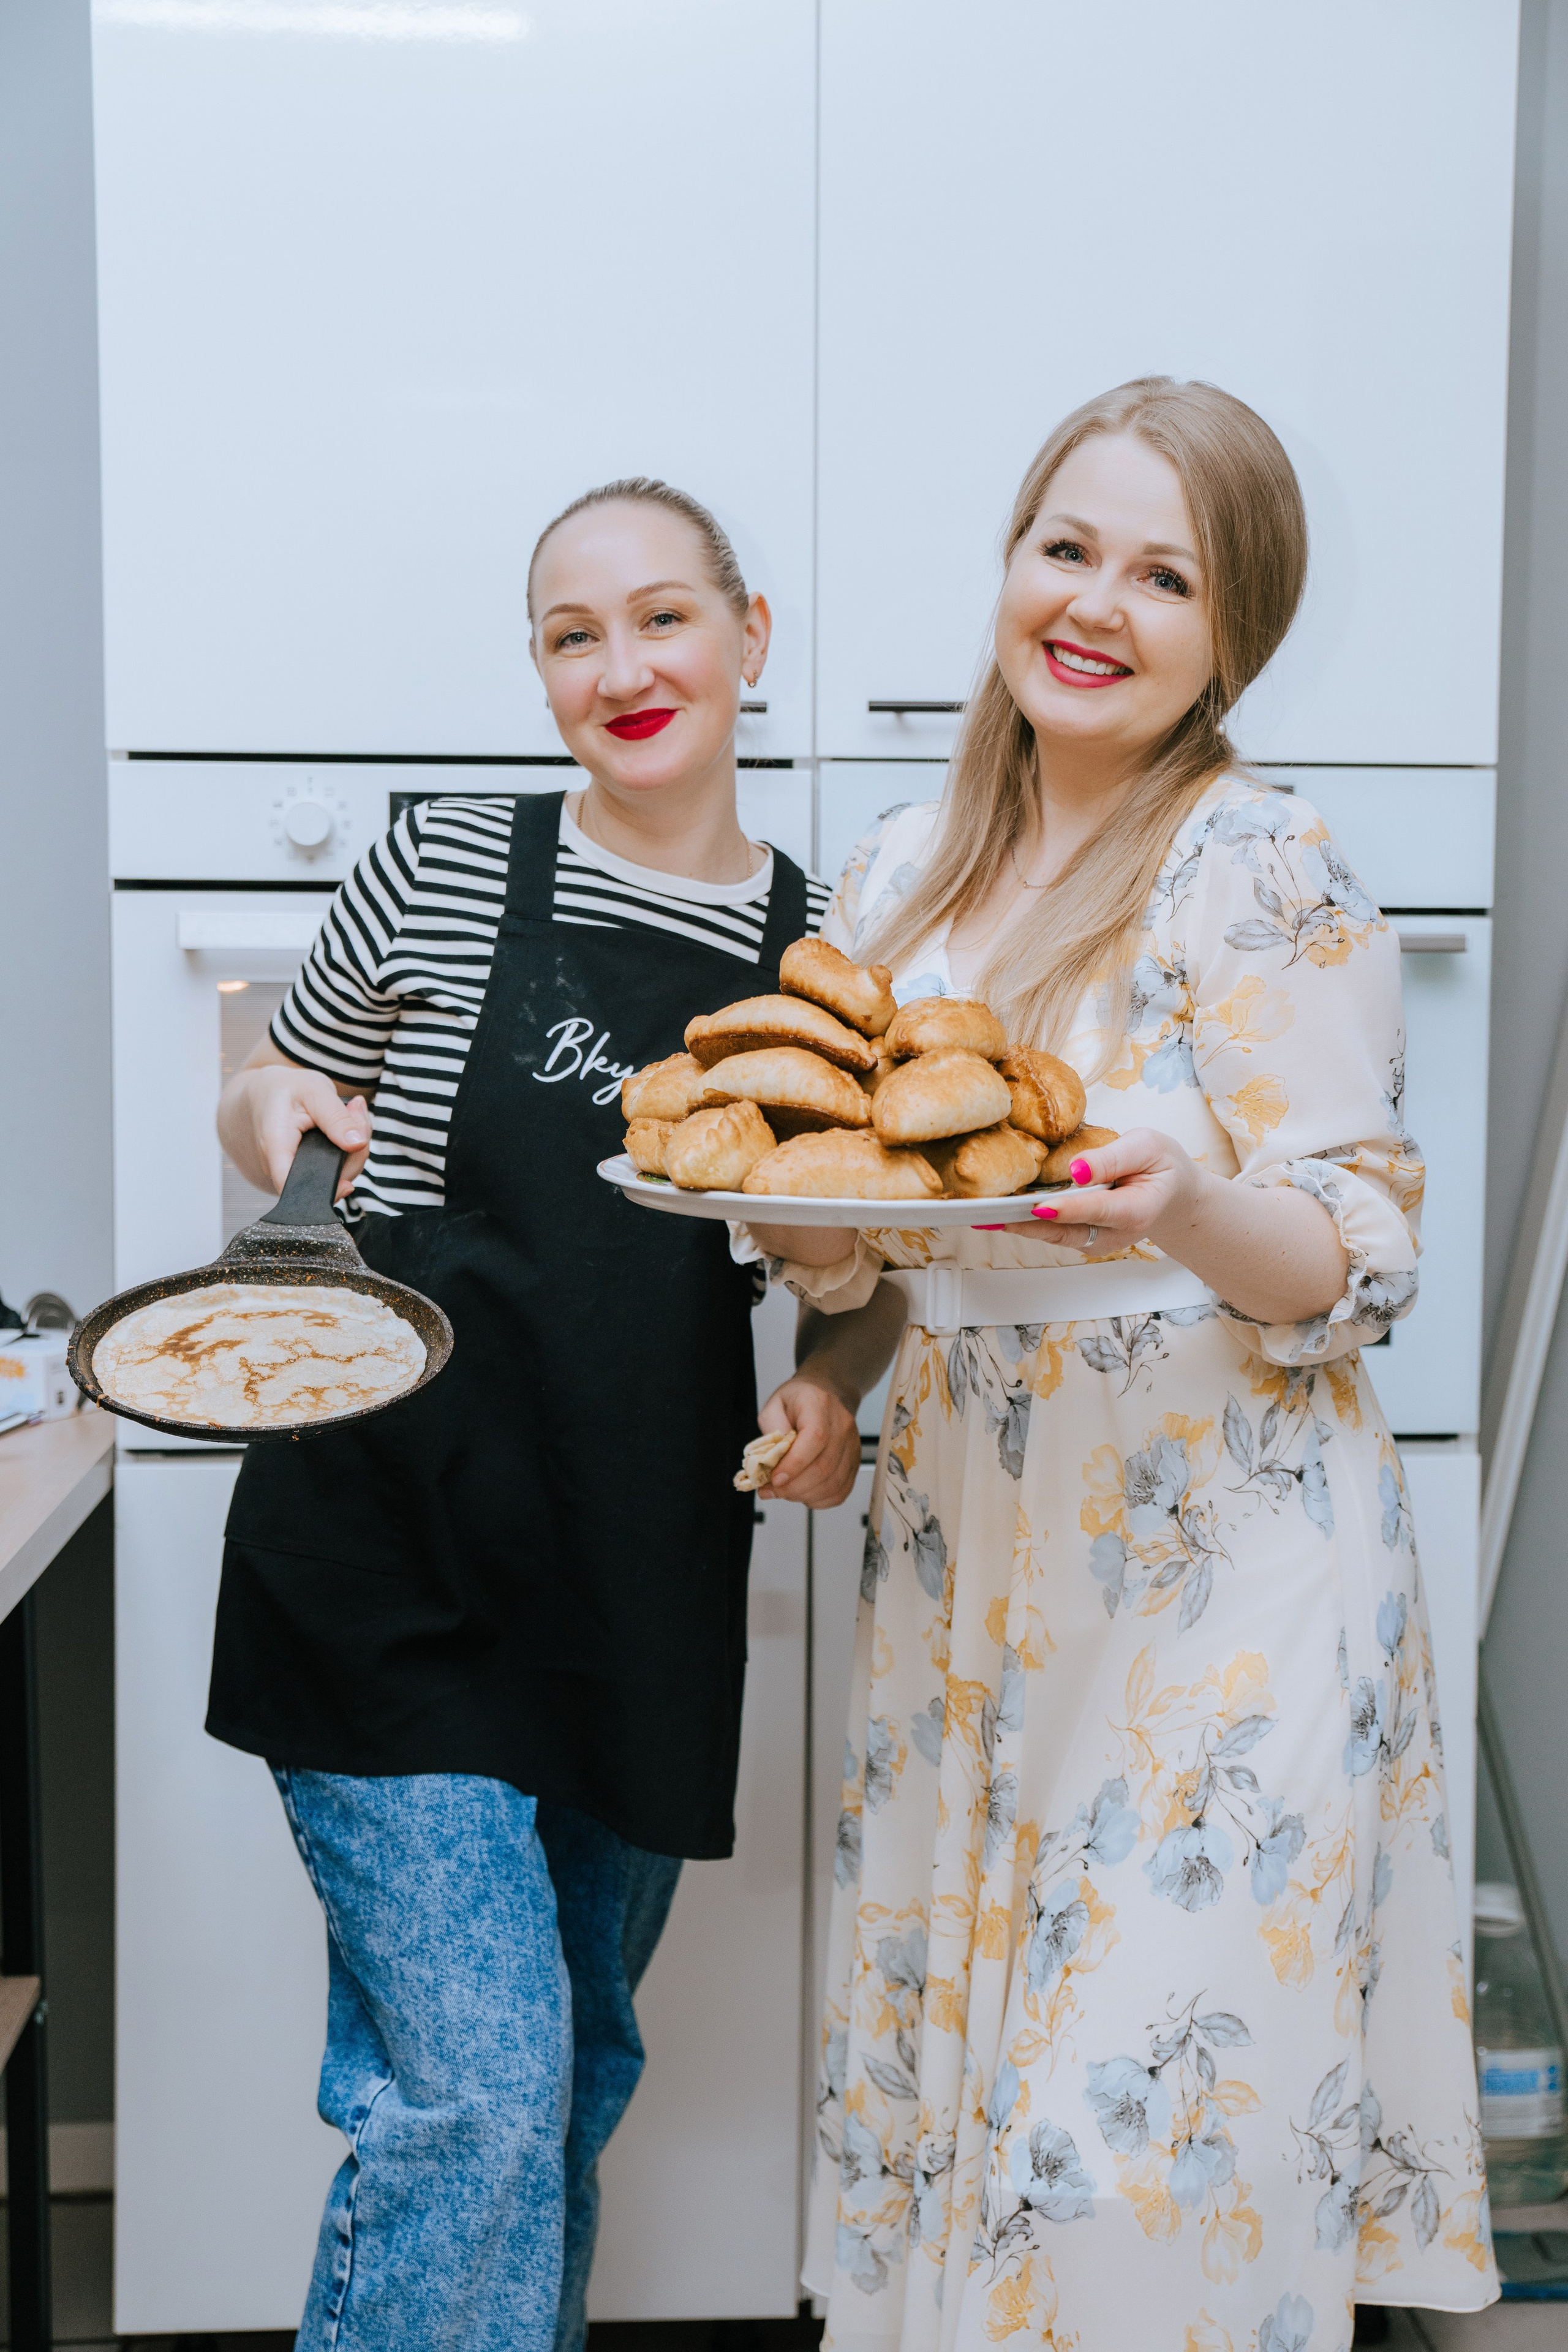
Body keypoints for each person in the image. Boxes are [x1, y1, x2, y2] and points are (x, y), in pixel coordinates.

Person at [745, 381, 1497, 2347]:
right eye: (1067, 547)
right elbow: (880, 1261)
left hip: (1220, 1562)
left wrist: (1175, 1202)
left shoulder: (1262, 863)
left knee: (1129, 2147)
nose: (1097, 602)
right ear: (1009, 563)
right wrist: (827, 1345)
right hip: (973, 1559)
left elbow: (1344, 1248)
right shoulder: (901, 874)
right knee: (973, 2119)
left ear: (1231, 635)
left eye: (1166, 576)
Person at [207, 477, 892, 2351]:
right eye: (572, 635)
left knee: (566, 2081)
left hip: (632, 1579)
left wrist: (830, 1387)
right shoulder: (443, 863)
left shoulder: (829, 960)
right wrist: (272, 1120)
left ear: (756, 639)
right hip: (382, 1552)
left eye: (664, 617)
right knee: (480, 2110)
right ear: (540, 673)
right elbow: (280, 1089)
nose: (623, 666)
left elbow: (873, 1270)